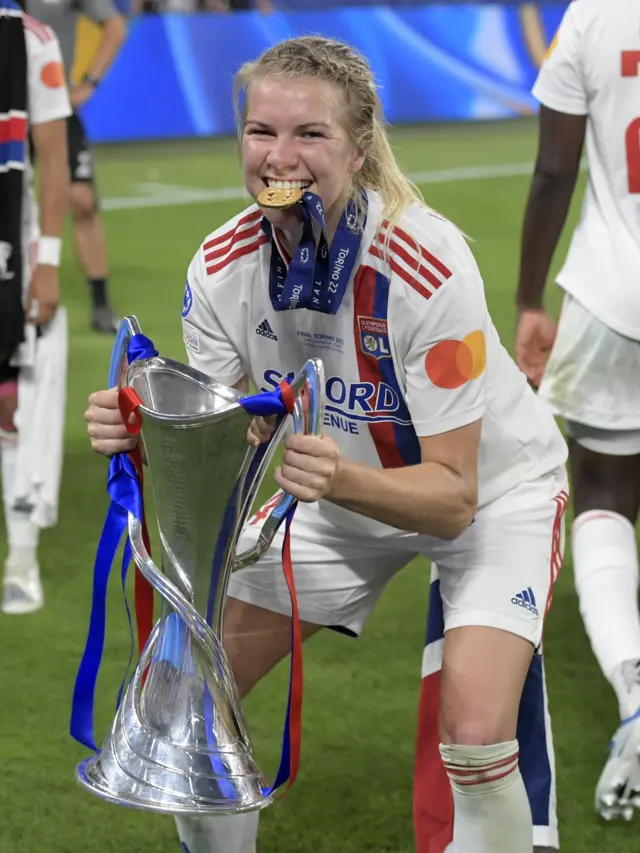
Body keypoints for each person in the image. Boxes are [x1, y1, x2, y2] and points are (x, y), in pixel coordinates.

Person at [85, 36, 569, 853]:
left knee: (478, 735)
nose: (280, 156)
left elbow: (453, 497)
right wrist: (147, 428)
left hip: (493, 496)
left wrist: (338, 477)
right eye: (259, 132)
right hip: (335, 496)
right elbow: (232, 435)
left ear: (360, 144)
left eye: (309, 134)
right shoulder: (220, 267)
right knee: (185, 703)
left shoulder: (426, 266)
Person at [515, 0, 640, 822]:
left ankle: (633, 691)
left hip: (612, 292)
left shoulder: (594, 13)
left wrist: (529, 297)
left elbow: (556, 168)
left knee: (601, 491)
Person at [0, 0, 70, 613]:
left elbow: (52, 154)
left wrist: (46, 258)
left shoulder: (31, 40)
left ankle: (21, 556)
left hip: (9, 252)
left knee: (10, 400)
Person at [23, 0, 126, 334]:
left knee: (82, 200)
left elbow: (115, 26)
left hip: (53, 105)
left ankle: (100, 303)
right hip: (10, 107)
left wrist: (89, 82)